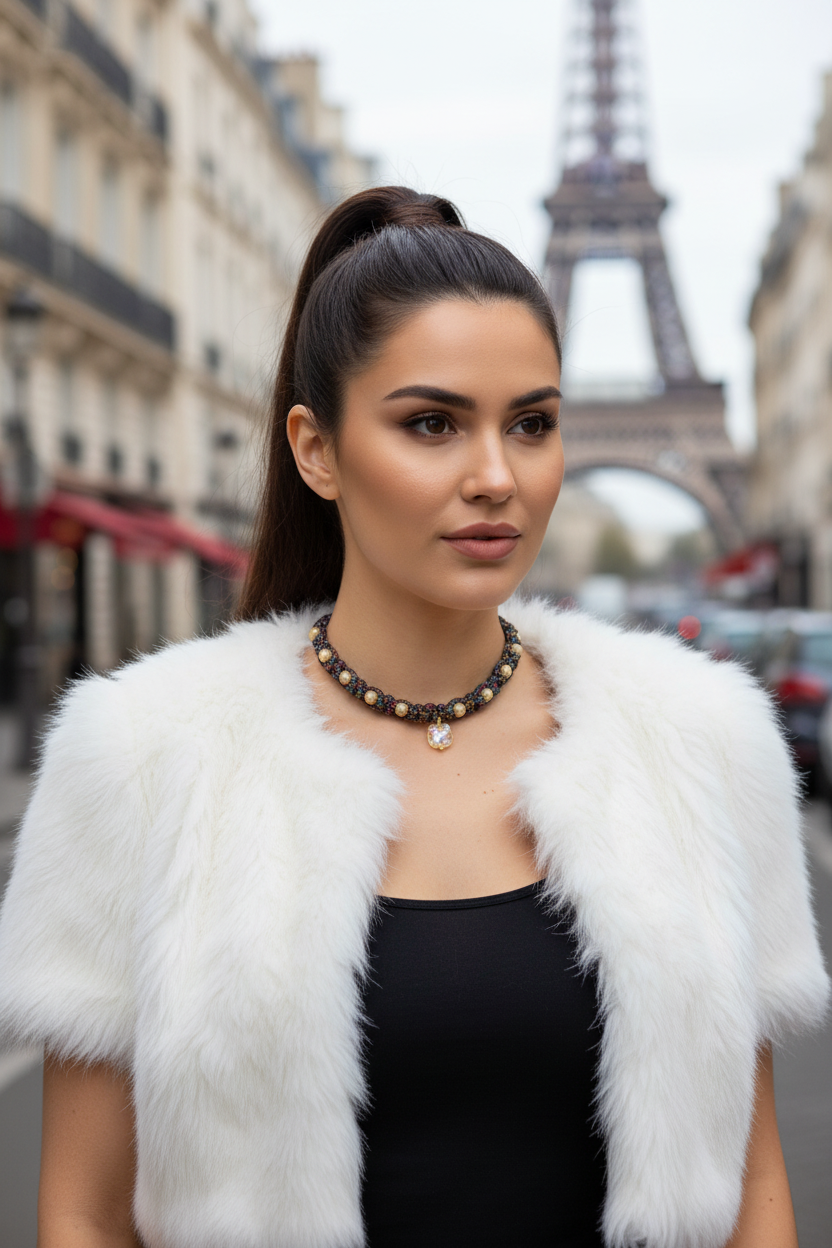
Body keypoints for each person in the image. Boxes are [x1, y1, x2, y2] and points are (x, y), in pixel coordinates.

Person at [0, 186, 827, 1248]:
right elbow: (82, 1212)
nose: (496, 477)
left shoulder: (702, 741)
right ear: (317, 449)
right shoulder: (140, 754)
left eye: (532, 424)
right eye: (431, 424)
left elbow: (754, 1186)